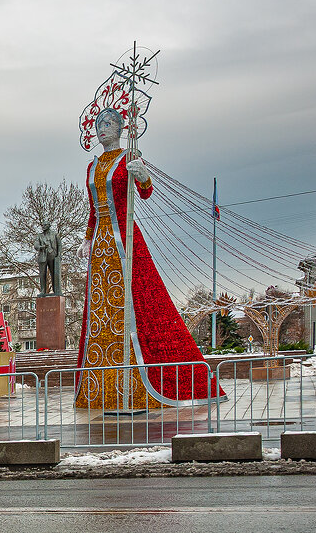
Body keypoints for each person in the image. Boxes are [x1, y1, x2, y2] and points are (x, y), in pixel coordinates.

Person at [74, 109, 221, 409]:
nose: (104, 129)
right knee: (101, 310)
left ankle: (140, 381)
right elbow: (93, 208)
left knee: (138, 302)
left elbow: (145, 192)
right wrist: (87, 238)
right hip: (101, 244)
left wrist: (143, 175)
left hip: (125, 238)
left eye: (110, 124)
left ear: (121, 128)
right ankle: (103, 385)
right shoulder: (91, 167)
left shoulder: (129, 157)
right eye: (100, 124)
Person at [35, 223, 61, 296]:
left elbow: (59, 245)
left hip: (52, 255)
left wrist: (59, 255)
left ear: (49, 226)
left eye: (44, 225)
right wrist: (42, 247)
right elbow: (36, 245)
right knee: (42, 274)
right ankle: (43, 290)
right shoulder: (39, 236)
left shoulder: (55, 234)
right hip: (43, 256)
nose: (43, 226)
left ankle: (56, 290)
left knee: (54, 273)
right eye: (42, 225)